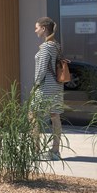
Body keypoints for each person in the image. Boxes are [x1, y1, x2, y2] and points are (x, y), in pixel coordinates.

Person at [32, 16, 63, 161]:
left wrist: (35, 85)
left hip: (45, 87)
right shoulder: (56, 45)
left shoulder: (45, 47)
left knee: (33, 116)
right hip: (56, 86)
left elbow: (42, 70)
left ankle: (35, 150)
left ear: (44, 29)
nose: (35, 30)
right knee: (55, 116)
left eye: (37, 27)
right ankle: (55, 151)